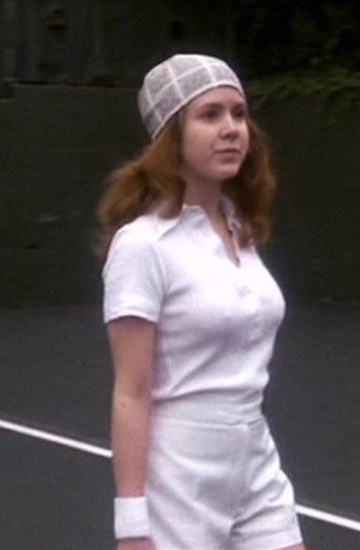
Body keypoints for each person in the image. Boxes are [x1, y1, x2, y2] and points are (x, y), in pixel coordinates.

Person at [96, 54, 306, 550]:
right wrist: (132, 525)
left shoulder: (240, 230)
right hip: (179, 475)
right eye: (209, 115)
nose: (231, 128)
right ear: (172, 136)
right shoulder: (142, 245)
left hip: (254, 454)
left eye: (238, 113)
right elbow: (132, 392)